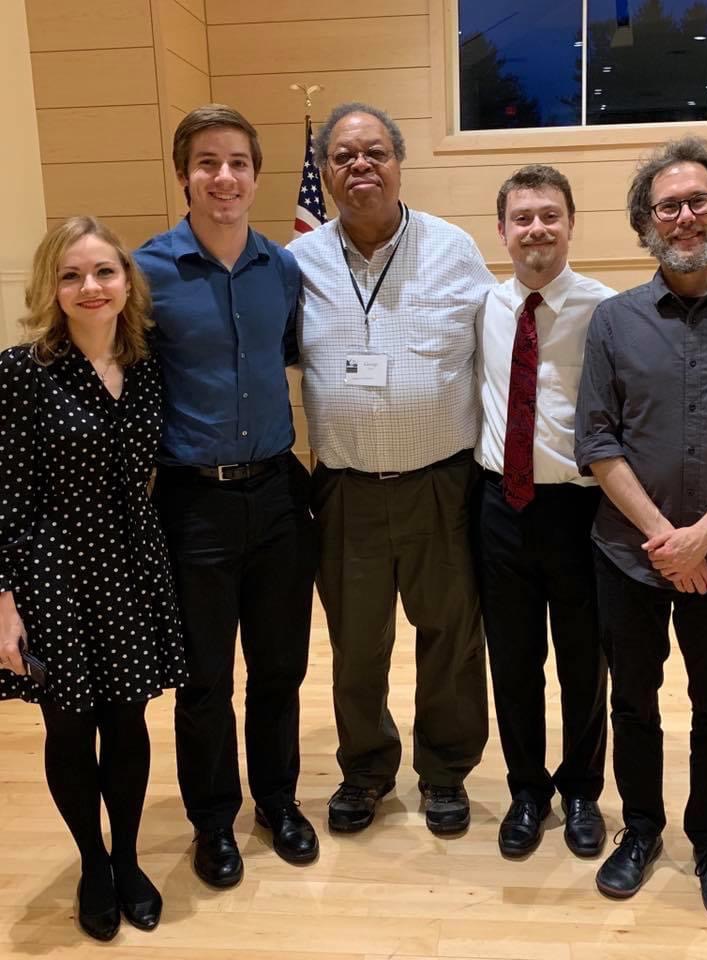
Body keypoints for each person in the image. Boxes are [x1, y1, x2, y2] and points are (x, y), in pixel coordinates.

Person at [575, 137, 707, 915]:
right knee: (632, 699)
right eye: (668, 205)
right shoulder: (613, 320)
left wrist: (704, 536)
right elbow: (596, 441)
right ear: (645, 222)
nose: (685, 216)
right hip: (626, 554)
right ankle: (640, 829)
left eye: (698, 201)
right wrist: (669, 539)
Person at [288, 101, 491, 837]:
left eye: (375, 152)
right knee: (356, 643)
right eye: (343, 156)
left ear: (400, 163)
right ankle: (366, 770)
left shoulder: (454, 250)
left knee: (450, 637)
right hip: (345, 489)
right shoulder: (298, 263)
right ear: (325, 173)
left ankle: (445, 772)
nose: (361, 166)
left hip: (442, 483)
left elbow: (495, 351)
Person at [135, 105, 318, 888]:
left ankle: (277, 800)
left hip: (277, 493)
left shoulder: (283, 269)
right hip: (193, 502)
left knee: (280, 668)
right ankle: (213, 819)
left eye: (238, 162)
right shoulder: (146, 274)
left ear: (255, 174)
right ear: (184, 174)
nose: (224, 177)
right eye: (207, 162)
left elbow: (286, 357)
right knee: (206, 678)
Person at [0, 217, 186, 940]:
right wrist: (4, 603)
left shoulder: (145, 365)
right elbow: (6, 496)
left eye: (104, 272)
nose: (90, 287)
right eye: (72, 275)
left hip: (130, 560)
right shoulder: (20, 372)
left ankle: (130, 857)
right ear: (51, 287)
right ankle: (92, 863)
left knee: (129, 720)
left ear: (126, 282)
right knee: (70, 728)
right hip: (52, 571)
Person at [475, 164, 612, 859]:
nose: (536, 229)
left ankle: (584, 788)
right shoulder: (482, 307)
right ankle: (527, 789)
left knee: (585, 663)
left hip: (582, 510)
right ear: (501, 231)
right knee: (514, 660)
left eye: (549, 215)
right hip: (501, 505)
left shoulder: (608, 310)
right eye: (522, 217)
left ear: (570, 223)